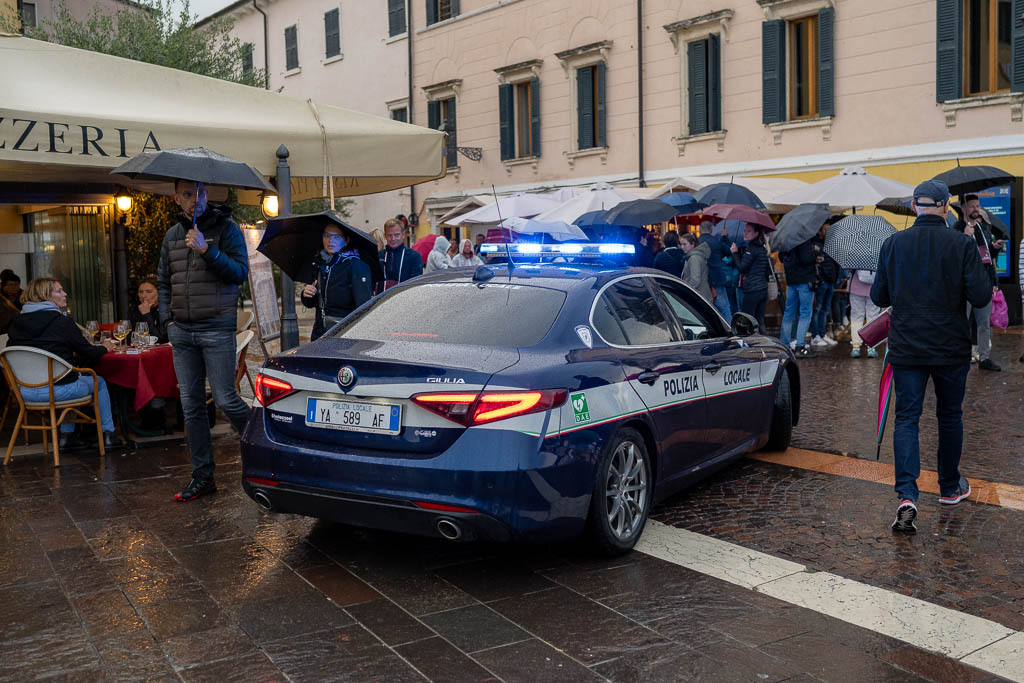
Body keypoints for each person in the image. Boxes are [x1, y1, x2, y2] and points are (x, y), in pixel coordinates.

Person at [870, 179, 991, 533]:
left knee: (907, 418)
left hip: (907, 346)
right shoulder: (961, 243)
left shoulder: (893, 243)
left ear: (913, 207)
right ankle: (950, 488)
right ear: (944, 207)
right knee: (949, 416)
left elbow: (879, 296)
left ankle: (907, 495)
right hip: (950, 346)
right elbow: (982, 297)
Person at [157, 179, 252, 502]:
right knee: (191, 406)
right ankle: (203, 476)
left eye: (200, 192)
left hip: (215, 329)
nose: (195, 199)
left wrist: (206, 250)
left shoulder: (226, 228)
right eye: (188, 193)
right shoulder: (171, 235)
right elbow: (163, 280)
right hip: (181, 332)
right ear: (176, 198)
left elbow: (239, 273)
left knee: (226, 399)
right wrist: (167, 320)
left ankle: (264, 442)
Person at [7, 278, 120, 451]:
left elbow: (13, 353)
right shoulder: (62, 322)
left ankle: (67, 438)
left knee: (69, 375)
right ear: (45, 295)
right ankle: (109, 435)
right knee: (97, 381)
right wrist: (105, 347)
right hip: (59, 390)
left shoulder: (16, 322)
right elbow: (88, 352)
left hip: (25, 392)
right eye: (59, 291)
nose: (65, 294)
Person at [954, 194, 1005, 371]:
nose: (976, 209)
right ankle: (963, 355)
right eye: (972, 206)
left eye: (977, 206)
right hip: (964, 285)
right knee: (962, 322)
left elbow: (986, 256)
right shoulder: (957, 229)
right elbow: (955, 255)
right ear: (963, 209)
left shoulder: (983, 229)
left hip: (983, 283)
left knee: (984, 323)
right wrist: (965, 236)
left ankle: (984, 358)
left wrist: (995, 248)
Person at [300, 222, 373, 341]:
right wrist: (306, 294)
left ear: (346, 240)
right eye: (326, 236)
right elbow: (312, 303)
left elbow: (363, 306)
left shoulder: (355, 265)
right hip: (320, 333)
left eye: (336, 237)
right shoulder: (319, 264)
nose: (330, 240)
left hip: (345, 334)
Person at [779, 233, 818, 358]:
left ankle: (784, 344)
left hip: (791, 281)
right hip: (804, 280)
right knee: (805, 313)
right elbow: (806, 258)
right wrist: (815, 252)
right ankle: (800, 346)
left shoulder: (786, 239)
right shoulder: (803, 238)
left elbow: (781, 257)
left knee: (789, 313)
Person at [810, 224, 840, 348]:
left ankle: (822, 334)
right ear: (820, 231)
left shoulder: (832, 244)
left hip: (831, 281)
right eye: (825, 230)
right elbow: (815, 264)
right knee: (817, 309)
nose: (828, 232)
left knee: (825, 310)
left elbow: (835, 263)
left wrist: (836, 278)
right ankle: (815, 336)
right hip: (822, 282)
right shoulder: (816, 245)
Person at [737, 224, 771, 334]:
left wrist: (734, 253)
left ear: (756, 233)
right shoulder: (762, 247)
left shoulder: (752, 248)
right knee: (760, 320)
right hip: (763, 288)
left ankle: (751, 346)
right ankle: (764, 344)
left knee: (748, 320)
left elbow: (742, 267)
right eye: (745, 230)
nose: (745, 233)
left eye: (749, 231)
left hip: (752, 289)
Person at [698, 222, 734, 320]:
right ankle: (730, 328)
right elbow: (729, 251)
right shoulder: (716, 241)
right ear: (711, 230)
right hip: (717, 277)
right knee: (724, 307)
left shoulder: (697, 242)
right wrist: (725, 237)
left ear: (700, 229)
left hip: (703, 279)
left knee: (705, 308)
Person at [381, 218, 423, 290]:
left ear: (403, 235)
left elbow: (415, 285)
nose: (393, 238)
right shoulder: (379, 256)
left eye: (397, 235)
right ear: (385, 236)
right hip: (381, 300)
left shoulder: (414, 256)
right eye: (390, 235)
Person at [848, 269, 880, 358]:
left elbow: (849, 268)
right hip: (874, 287)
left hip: (856, 286)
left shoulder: (856, 255)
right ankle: (871, 347)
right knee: (873, 317)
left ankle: (856, 347)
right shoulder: (878, 254)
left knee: (856, 317)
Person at [128, 277, 169, 344]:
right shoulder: (135, 310)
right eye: (141, 292)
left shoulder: (166, 310)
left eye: (148, 292)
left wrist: (146, 314)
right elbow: (129, 338)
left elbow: (159, 339)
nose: (143, 296)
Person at [680, 233, 712, 303]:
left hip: (699, 295)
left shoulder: (694, 258)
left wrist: (685, 291)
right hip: (700, 294)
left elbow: (695, 280)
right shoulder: (694, 256)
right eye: (681, 244)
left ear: (693, 244)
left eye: (685, 244)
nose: (682, 247)